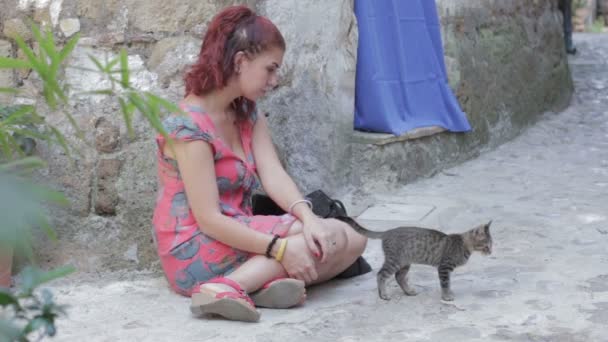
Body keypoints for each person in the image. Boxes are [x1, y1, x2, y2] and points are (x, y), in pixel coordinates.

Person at [152, 5, 368, 322]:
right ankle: (223, 288)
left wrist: (307, 217)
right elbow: (209, 219)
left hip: (238, 229)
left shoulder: (247, 113)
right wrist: (280, 249)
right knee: (329, 240)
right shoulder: (189, 127)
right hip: (193, 247)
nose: (275, 79)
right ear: (241, 62)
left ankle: (255, 286)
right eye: (270, 68)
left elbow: (273, 173)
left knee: (347, 237)